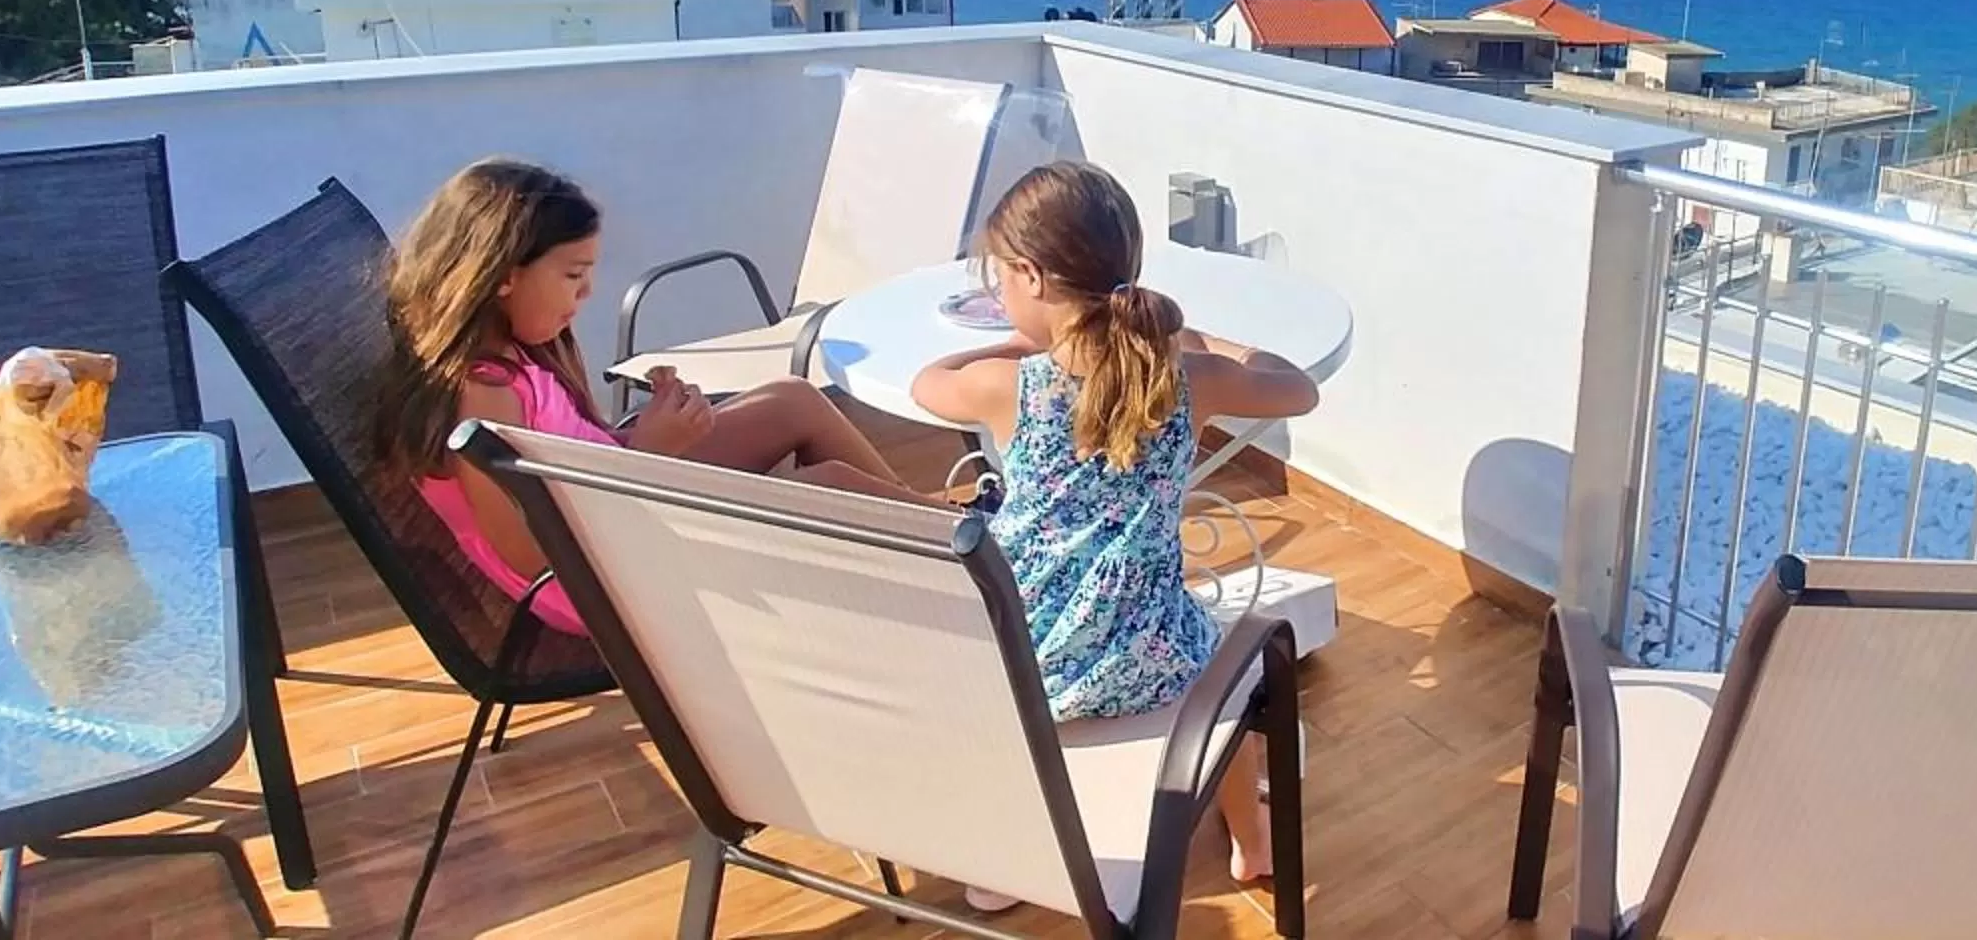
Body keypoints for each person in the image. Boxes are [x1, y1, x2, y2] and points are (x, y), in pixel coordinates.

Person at [913, 162, 1319, 894]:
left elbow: (926, 382)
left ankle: (1001, 872)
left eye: (1001, 279)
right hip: (1153, 653)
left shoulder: (1009, 386)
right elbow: (1300, 389)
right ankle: (1253, 845)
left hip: (1025, 659)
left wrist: (1011, 347)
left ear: (1033, 277)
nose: (1001, 295)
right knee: (1220, 663)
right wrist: (1210, 343)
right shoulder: (1187, 379)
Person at [374, 158, 922, 637]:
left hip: (620, 506)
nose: (587, 292)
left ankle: (941, 533)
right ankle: (954, 549)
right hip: (601, 579)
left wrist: (652, 432)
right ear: (503, 277)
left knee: (790, 400)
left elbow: (569, 453)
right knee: (829, 488)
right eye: (573, 274)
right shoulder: (481, 397)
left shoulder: (512, 358)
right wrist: (652, 453)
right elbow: (531, 553)